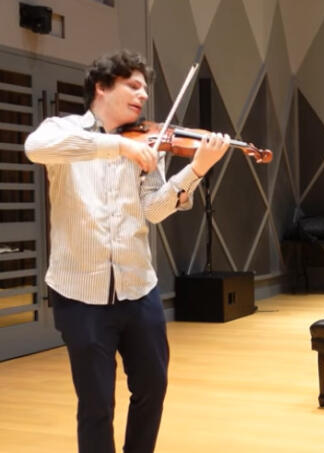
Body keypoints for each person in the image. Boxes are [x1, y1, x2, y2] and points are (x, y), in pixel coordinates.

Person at [24, 49, 230, 453]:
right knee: (97, 403)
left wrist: (197, 169)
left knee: (153, 387)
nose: (142, 96)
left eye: (145, 89)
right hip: (79, 294)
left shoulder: (147, 145)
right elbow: (36, 148)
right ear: (102, 87)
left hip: (138, 289)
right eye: (133, 86)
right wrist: (117, 146)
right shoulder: (65, 131)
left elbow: (154, 210)